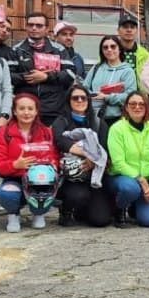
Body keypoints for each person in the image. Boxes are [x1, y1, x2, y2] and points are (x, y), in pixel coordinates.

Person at [0, 93, 60, 232]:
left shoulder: (46, 132)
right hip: (14, 177)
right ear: (15, 111)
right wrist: (15, 165)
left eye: (30, 108)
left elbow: (55, 156)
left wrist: (52, 165)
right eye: (22, 108)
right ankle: (13, 214)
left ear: (36, 111)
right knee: (7, 193)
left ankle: (38, 212)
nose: (26, 112)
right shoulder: (3, 133)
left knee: (47, 190)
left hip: (40, 180)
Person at [50, 84, 113, 228]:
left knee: (101, 220)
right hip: (70, 177)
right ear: (68, 101)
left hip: (94, 175)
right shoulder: (61, 121)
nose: (79, 100)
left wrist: (94, 160)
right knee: (78, 196)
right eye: (75, 98)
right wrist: (89, 154)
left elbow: (105, 150)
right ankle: (66, 210)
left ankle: (83, 211)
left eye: (83, 97)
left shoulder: (98, 123)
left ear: (89, 101)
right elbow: (60, 140)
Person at [106, 92, 149, 228]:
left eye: (141, 104)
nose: (137, 107)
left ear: (146, 107)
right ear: (126, 107)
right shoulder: (117, 129)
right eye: (132, 104)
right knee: (130, 188)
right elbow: (118, 162)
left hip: (145, 182)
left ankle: (134, 206)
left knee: (148, 221)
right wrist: (141, 179)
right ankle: (119, 209)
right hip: (122, 178)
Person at [9, 12, 76, 125]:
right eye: (31, 25)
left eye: (39, 25)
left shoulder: (59, 50)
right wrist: (29, 76)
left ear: (47, 29)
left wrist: (46, 77)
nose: (34, 28)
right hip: (26, 109)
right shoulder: (16, 50)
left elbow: (71, 74)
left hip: (53, 109)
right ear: (26, 27)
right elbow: (8, 76)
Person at [84, 35, 137, 125]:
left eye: (113, 46)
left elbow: (130, 96)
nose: (109, 49)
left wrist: (106, 97)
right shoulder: (96, 68)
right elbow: (84, 88)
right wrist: (92, 95)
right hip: (94, 117)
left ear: (120, 49)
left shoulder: (128, 71)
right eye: (105, 47)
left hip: (117, 119)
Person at [114, 15, 149, 88]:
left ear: (137, 31)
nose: (129, 30)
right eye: (125, 27)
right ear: (118, 30)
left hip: (138, 96)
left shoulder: (146, 55)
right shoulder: (109, 52)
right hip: (114, 95)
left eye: (132, 27)